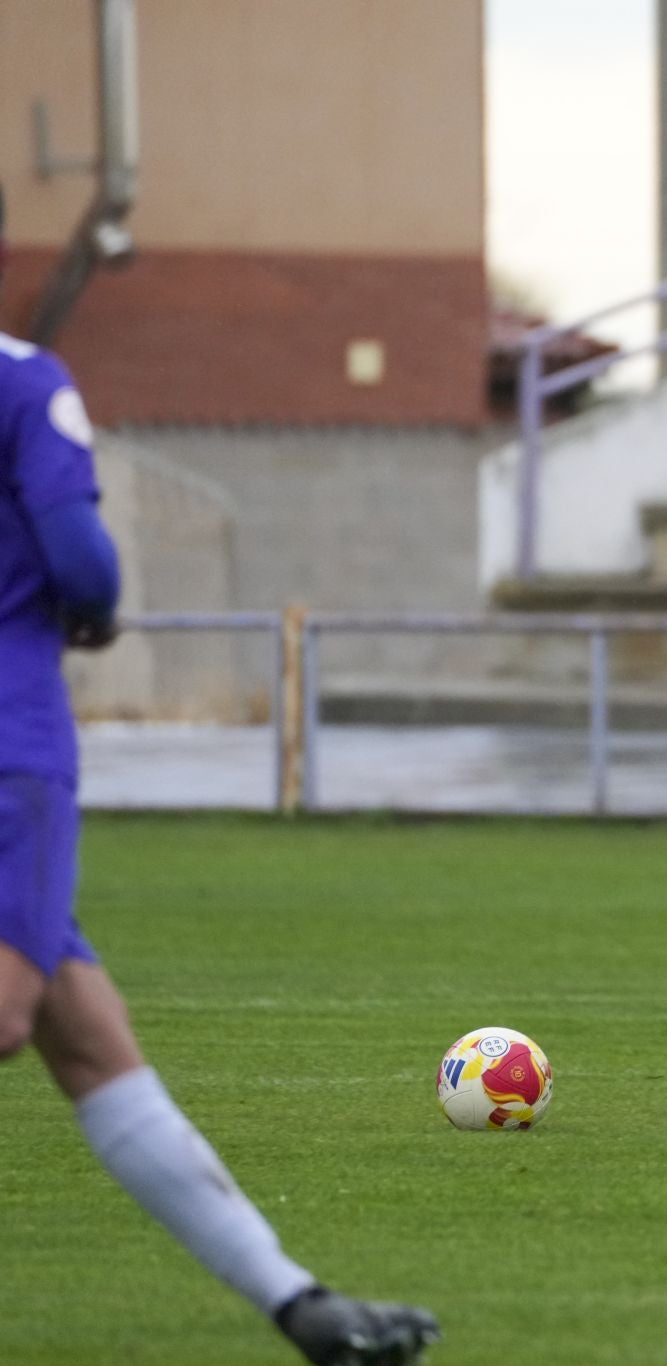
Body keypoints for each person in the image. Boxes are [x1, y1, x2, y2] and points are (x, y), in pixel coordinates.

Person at [0, 187, 440, 1365]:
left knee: (85, 1031)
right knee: (10, 1007)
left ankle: (302, 1306)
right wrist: (89, 611)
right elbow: (84, 561)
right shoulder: (21, 378)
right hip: (7, 748)